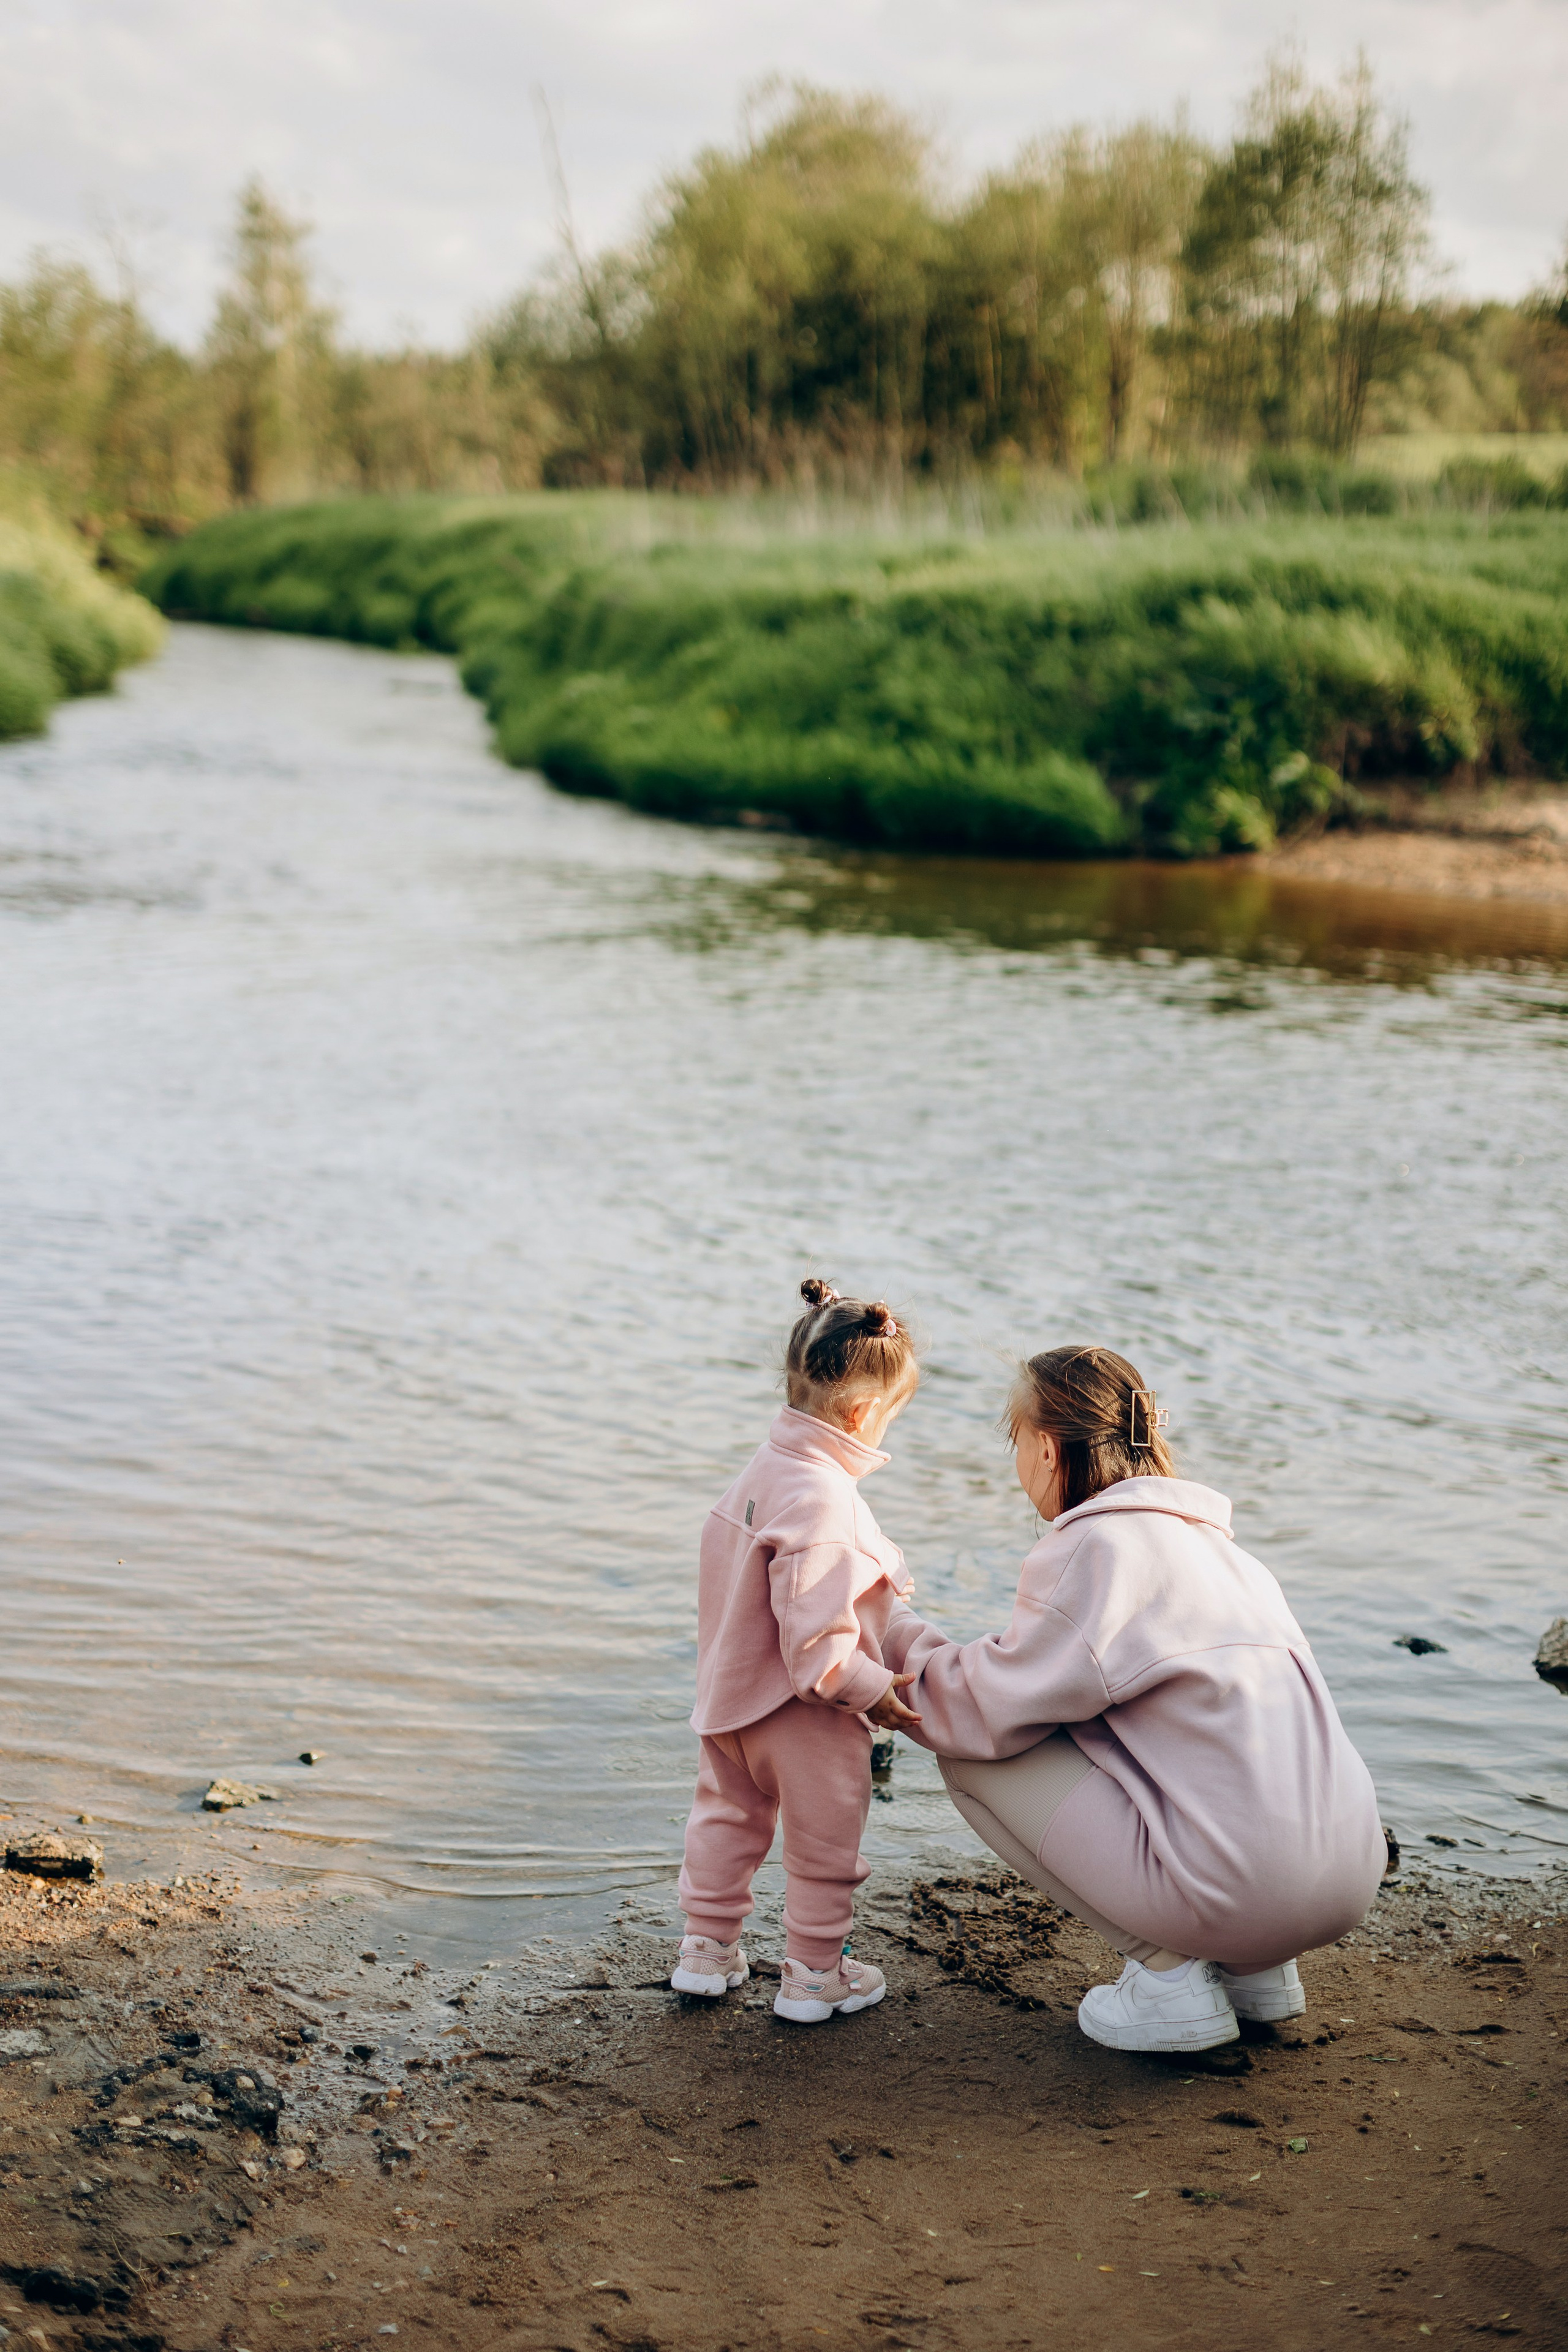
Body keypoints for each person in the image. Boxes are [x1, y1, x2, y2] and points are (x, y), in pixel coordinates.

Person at [883, 1346, 1386, 2054]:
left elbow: (976, 1710)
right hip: (1345, 1876)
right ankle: (1254, 1972)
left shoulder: (1097, 1548)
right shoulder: (1229, 1557)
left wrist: (882, 1622)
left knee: (969, 1755)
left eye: (1014, 1440)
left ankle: (1169, 1975)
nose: (1016, 1461)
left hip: (1243, 1891)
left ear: (1049, 1451)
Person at [673, 1278, 922, 2024]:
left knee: (725, 1819)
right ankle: (814, 1977)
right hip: (800, 1714)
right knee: (824, 1843)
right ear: (862, 1413)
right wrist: (872, 1688)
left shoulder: (759, 1473)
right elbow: (819, 1651)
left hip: (728, 1698)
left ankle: (705, 1952)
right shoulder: (827, 1501)